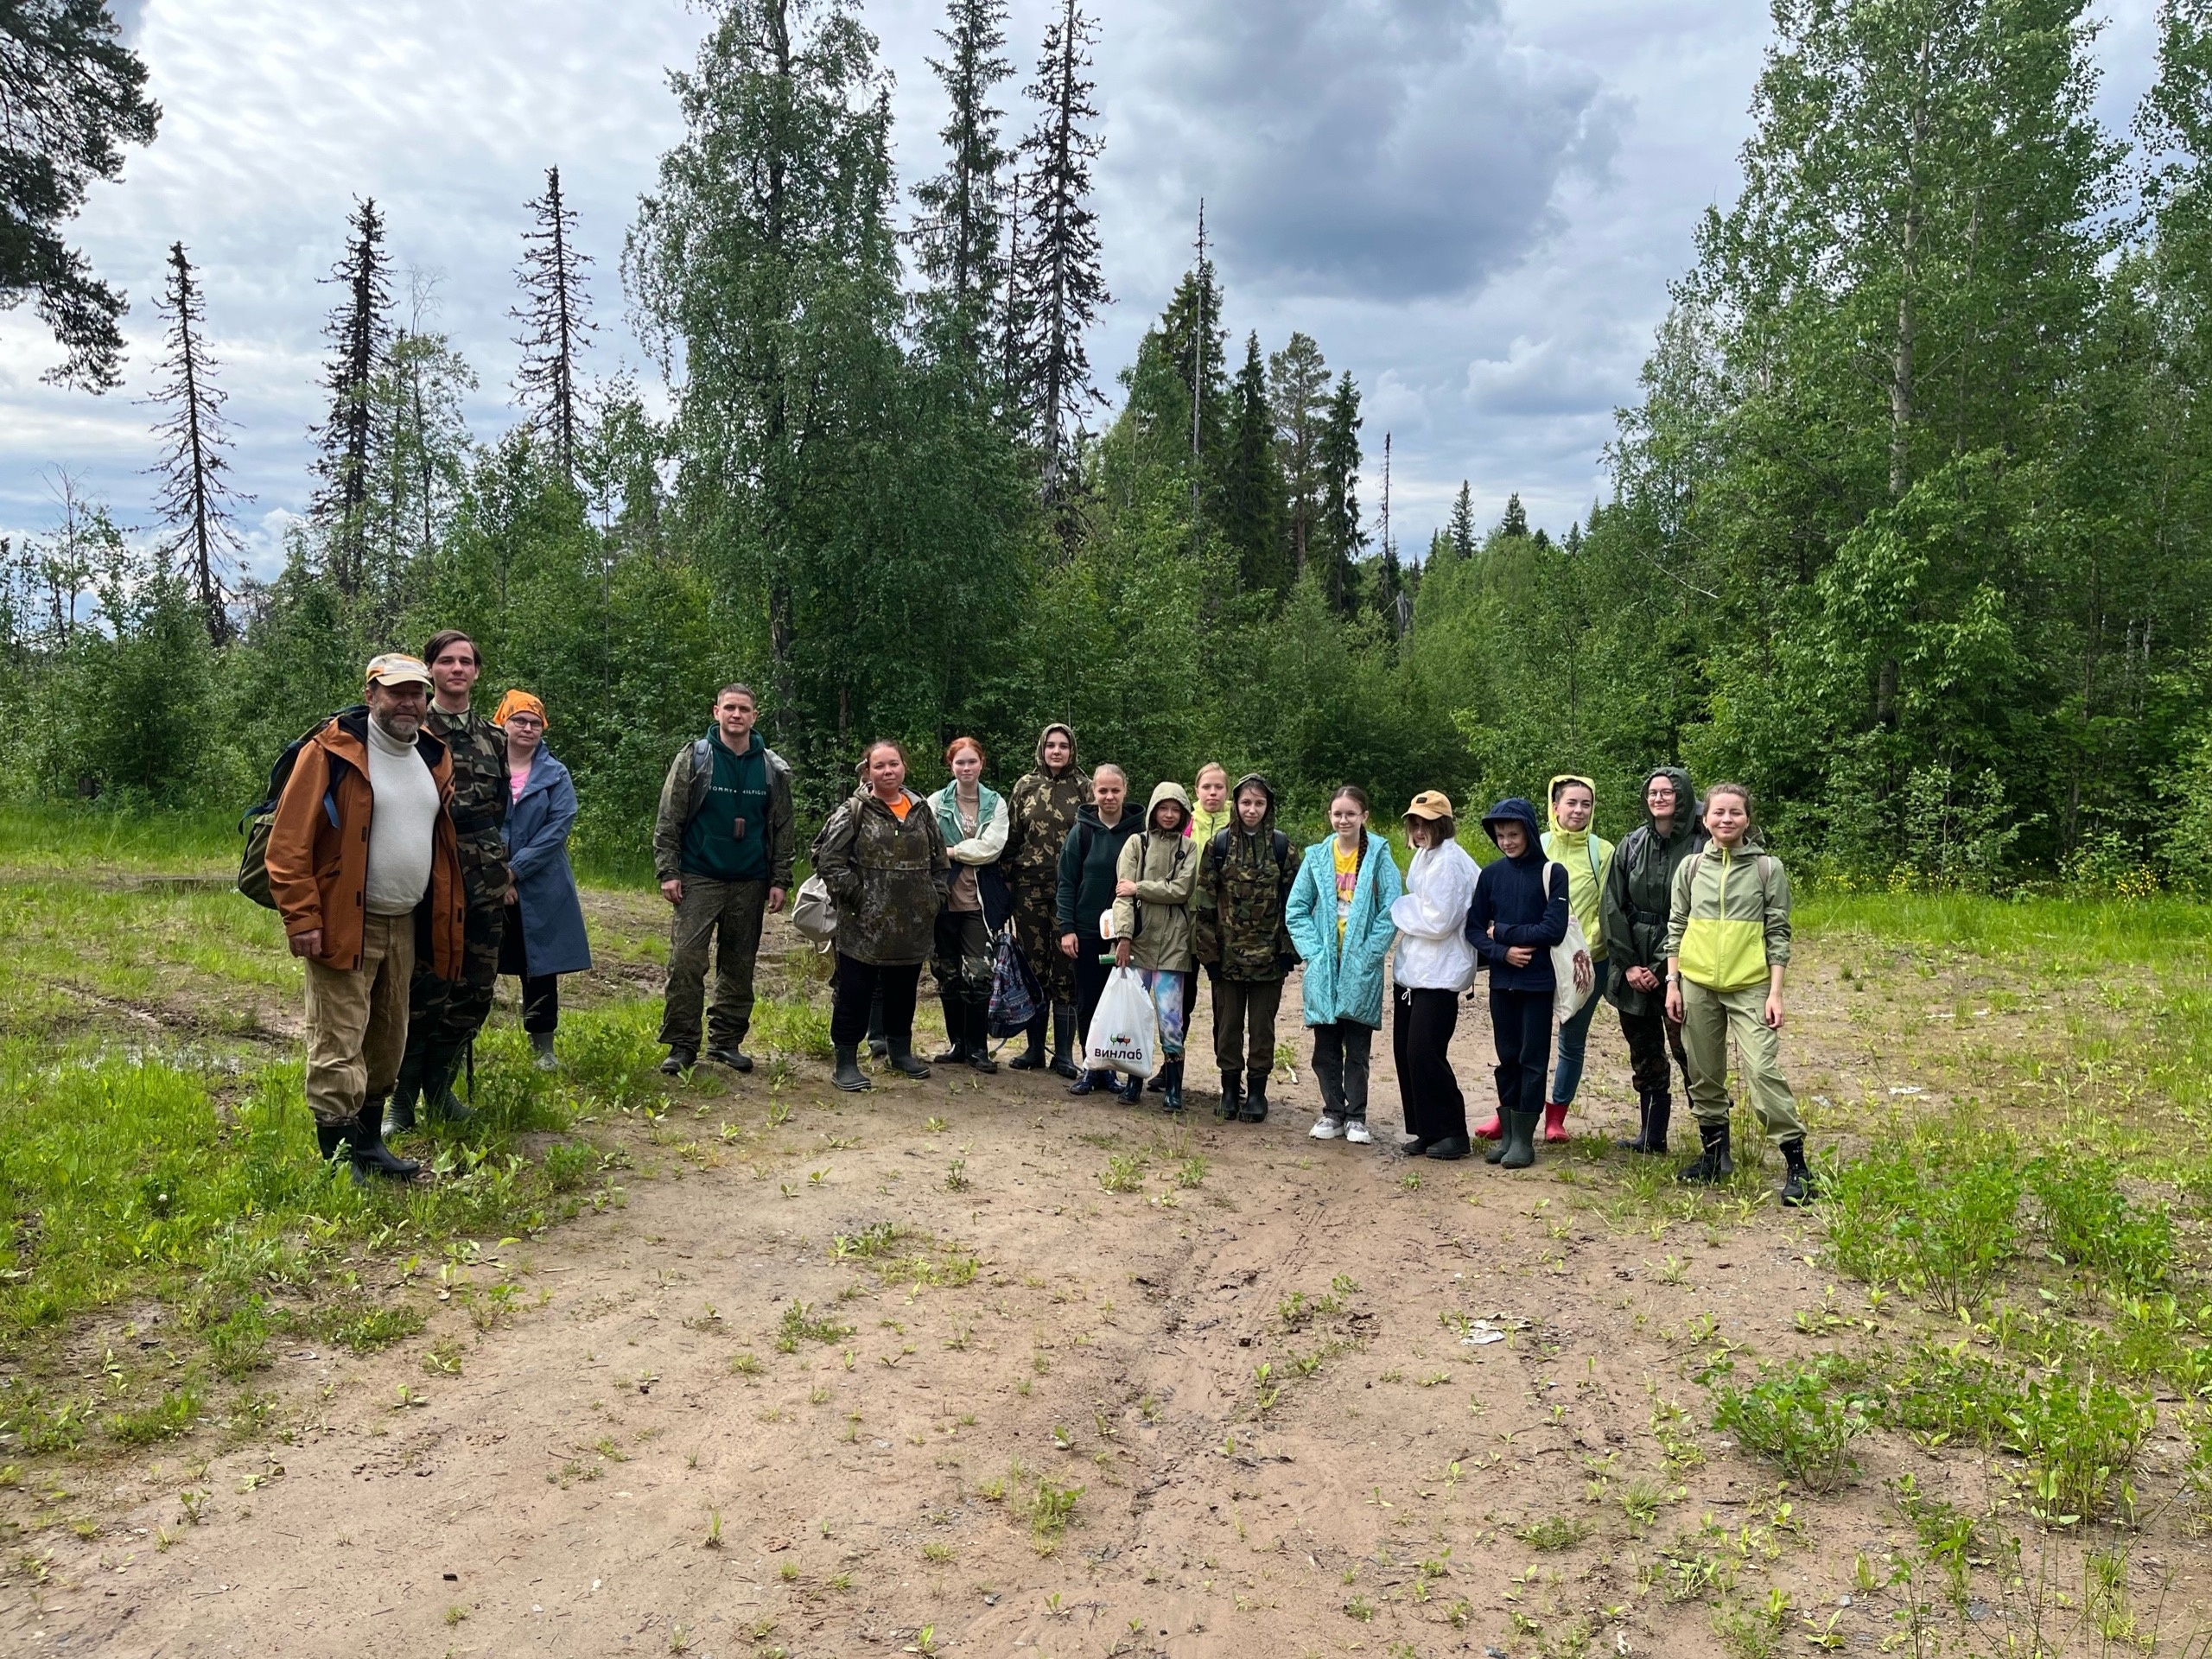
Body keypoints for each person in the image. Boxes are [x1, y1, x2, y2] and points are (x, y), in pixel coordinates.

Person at [265, 654, 464, 1182]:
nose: (408, 703)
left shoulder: (433, 755)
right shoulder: (331, 752)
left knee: (387, 1039)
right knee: (338, 1039)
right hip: (343, 922)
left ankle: (370, 1147)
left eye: (417, 694)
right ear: (371, 693)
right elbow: (287, 846)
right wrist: (302, 917)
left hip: (406, 922)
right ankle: (337, 1162)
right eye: (395, 692)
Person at [1663, 783, 1814, 1205]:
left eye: (1735, 813)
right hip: (1696, 985)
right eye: (1718, 813)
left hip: (1751, 985)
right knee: (1703, 1073)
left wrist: (1776, 992)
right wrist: (1673, 983)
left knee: (1763, 1073)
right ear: (1705, 818)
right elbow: (1676, 927)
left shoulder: (1768, 868)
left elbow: (1778, 932)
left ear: (1748, 819)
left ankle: (1798, 1167)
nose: (1726, 820)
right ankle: (1714, 1159)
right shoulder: (1691, 868)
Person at [389, 630, 510, 1133]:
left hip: (484, 880)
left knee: (475, 991)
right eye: (446, 662)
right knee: (424, 988)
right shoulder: (412, 730)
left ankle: (440, 1087)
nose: (457, 669)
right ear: (430, 670)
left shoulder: (494, 738)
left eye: (466, 662)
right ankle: (402, 1100)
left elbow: (501, 811)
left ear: (476, 672)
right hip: (431, 875)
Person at [652, 684, 795, 1076]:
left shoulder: (771, 767)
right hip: (699, 876)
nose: (736, 714)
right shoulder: (694, 758)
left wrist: (780, 878)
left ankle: (725, 1041)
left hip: (750, 879)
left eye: (743, 709)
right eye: (729, 707)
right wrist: (669, 870)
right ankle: (682, 1044)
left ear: (754, 715)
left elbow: (783, 827)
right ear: (716, 711)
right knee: (685, 960)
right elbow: (669, 818)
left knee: (739, 965)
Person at [816, 741, 952, 1091]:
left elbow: (940, 861)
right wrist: (860, 897)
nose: (888, 771)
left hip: (912, 925)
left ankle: (900, 1052)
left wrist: (934, 898)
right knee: (855, 992)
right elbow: (827, 859)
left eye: (894, 764)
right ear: (868, 770)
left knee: (903, 990)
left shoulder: (921, 810)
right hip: (863, 926)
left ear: (904, 766)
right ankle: (845, 1061)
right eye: (880, 766)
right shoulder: (854, 810)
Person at [1285, 785, 1402, 1145]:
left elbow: (1391, 909)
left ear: (1364, 816)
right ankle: (1332, 1111)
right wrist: (1314, 952)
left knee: (1358, 1047)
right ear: (1330, 816)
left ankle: (1357, 1116)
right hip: (1325, 965)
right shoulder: (1318, 856)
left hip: (1359, 964)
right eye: (1337, 813)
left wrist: (1370, 952)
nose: (1343, 820)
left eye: (1351, 813)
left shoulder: (1379, 855)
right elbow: (1296, 909)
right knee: (1325, 1047)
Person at [1599, 766, 1703, 1156]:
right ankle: (1652, 1135)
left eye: (1667, 792)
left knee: (1691, 1052)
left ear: (1682, 796)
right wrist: (1627, 964)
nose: (1658, 798)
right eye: (1653, 792)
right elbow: (1611, 905)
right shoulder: (1631, 844)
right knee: (1644, 1051)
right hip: (1632, 962)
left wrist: (1663, 967)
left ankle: (1714, 1144)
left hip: (1682, 963)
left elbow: (1699, 910)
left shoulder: (1700, 846)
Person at [1466, 798, 1574, 1170]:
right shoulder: (1491, 875)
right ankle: (1509, 1135)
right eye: (1500, 836)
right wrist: (1503, 952)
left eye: (1513, 834)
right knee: (1507, 1057)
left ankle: (1525, 1140)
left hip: (1538, 983)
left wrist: (1506, 934)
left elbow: (1553, 928)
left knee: (1532, 1059)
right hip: (1502, 980)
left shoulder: (1552, 873)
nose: (1507, 842)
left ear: (1528, 831)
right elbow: (1474, 929)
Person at [493, 690, 591, 1070]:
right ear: (503, 722)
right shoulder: (485, 767)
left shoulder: (556, 773)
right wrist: (498, 875)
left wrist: (514, 872)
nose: (528, 728)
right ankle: (457, 1043)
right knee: (477, 964)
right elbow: (480, 822)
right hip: (489, 881)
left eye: (535, 722)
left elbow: (557, 829)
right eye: (520, 720)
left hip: (543, 885)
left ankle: (543, 1049)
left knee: (541, 967)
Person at [1192, 772, 1296, 1124]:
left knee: (1263, 1028)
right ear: (1235, 805)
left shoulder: (1282, 847)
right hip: (1227, 958)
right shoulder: (1218, 846)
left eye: (1259, 803)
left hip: (1269, 959)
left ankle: (1257, 1093)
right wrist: (1209, 957)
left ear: (1269, 807)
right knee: (1227, 1026)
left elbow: (1296, 904)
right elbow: (1203, 904)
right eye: (1246, 803)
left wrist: (1287, 951)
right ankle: (1228, 1090)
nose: (1252, 810)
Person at [1390, 791, 1478, 1159]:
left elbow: (1439, 920)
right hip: (1416, 971)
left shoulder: (1451, 863)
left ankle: (1453, 1131)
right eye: (1415, 823)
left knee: (1425, 1052)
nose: (1419, 829)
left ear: (1442, 824)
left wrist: (1397, 907)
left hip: (1441, 973)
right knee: (1406, 1052)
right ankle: (1427, 1129)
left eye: (1427, 823)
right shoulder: (1426, 857)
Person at [1003, 724, 1092, 1077]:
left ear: (1072, 750)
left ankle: (1065, 1054)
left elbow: (1093, 838)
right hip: (1028, 891)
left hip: (1071, 891)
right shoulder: (1024, 786)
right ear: (1041, 748)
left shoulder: (1084, 788)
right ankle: (1034, 1049)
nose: (1057, 751)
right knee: (1033, 969)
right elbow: (1011, 839)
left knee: (1066, 969)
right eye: (1051, 745)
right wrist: (1007, 885)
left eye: (1064, 746)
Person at [1110, 782, 1199, 1113]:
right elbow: (1123, 893)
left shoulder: (1188, 848)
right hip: (1137, 943)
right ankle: (1133, 1081)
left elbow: (1181, 890)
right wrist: (1123, 937)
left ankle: (1173, 1088)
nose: (1169, 814)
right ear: (1153, 811)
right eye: (1163, 808)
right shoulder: (1137, 843)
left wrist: (1140, 887)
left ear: (1183, 814)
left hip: (1174, 946)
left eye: (1176, 809)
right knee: (1135, 1017)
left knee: (1170, 1020)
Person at [1056, 764, 1142, 1096]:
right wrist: (1068, 928)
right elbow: (1066, 883)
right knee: (1089, 1001)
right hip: (1087, 932)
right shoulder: (1082, 832)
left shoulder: (1139, 833)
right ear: (1093, 792)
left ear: (1125, 790)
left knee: (1119, 1003)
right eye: (1102, 791)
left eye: (1115, 790)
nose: (1109, 797)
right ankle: (1091, 1066)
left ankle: (1113, 1070)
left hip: (1124, 933)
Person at [1537, 775, 1615, 1143]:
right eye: (1571, 803)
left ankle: (1556, 1117)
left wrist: (1586, 946)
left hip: (1587, 961)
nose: (1579, 810)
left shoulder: (1603, 851)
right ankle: (1514, 1112)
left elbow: (1611, 907)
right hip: (1539, 958)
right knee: (1528, 1038)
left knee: (1572, 1040)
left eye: (1586, 804)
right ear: (1555, 807)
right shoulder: (1537, 846)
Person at [928, 737, 1010, 1073]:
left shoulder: (996, 803)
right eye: (959, 762)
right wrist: (958, 850)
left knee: (979, 974)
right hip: (943, 900)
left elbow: (992, 848)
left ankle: (979, 1049)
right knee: (947, 973)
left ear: (981, 764)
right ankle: (957, 1045)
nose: (966, 768)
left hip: (979, 903)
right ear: (951, 766)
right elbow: (930, 846)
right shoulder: (936, 803)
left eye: (971, 762)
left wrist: (952, 851)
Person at [1185, 762, 1233, 849]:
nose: (1213, 792)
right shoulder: (1185, 825)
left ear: (1227, 791)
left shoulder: (1237, 825)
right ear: (1197, 792)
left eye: (1219, 787)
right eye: (1206, 787)